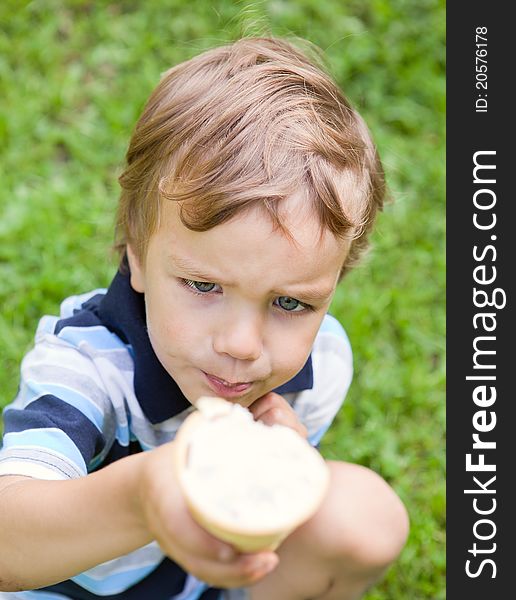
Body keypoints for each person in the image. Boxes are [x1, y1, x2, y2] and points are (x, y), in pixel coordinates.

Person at [0, 37, 409, 600]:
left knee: (365, 516)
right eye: (203, 286)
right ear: (137, 254)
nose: (243, 345)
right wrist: (145, 497)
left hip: (205, 583)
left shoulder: (321, 364)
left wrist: (281, 477)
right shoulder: (89, 367)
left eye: (290, 303)